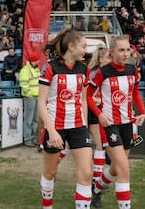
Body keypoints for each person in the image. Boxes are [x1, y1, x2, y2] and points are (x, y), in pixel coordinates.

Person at [87, 36, 145, 208]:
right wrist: (99, 115)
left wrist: (142, 112)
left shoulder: (132, 69)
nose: (125, 53)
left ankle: (96, 190)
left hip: (127, 123)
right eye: (121, 50)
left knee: (115, 168)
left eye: (128, 50)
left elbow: (135, 92)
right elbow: (88, 96)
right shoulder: (103, 72)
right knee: (124, 169)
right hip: (109, 125)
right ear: (111, 52)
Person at [39, 29, 93, 209]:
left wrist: (84, 124)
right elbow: (41, 103)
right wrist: (52, 131)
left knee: (86, 174)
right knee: (50, 172)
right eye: (83, 46)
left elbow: (84, 99)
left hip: (78, 126)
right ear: (71, 46)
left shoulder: (84, 68)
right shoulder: (50, 67)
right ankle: (47, 206)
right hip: (55, 127)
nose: (86, 50)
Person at [87, 45, 112, 189]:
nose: (111, 60)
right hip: (92, 110)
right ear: (102, 58)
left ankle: (96, 179)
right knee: (99, 145)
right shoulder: (97, 73)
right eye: (109, 57)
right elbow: (89, 95)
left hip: (93, 110)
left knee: (99, 144)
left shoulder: (95, 71)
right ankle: (96, 180)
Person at [19, 53, 41, 147]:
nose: (38, 62)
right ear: (33, 61)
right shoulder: (25, 70)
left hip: (36, 96)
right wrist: (30, 94)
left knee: (35, 119)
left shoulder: (36, 69)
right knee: (29, 119)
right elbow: (23, 84)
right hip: (30, 97)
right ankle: (27, 139)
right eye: (37, 60)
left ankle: (34, 138)